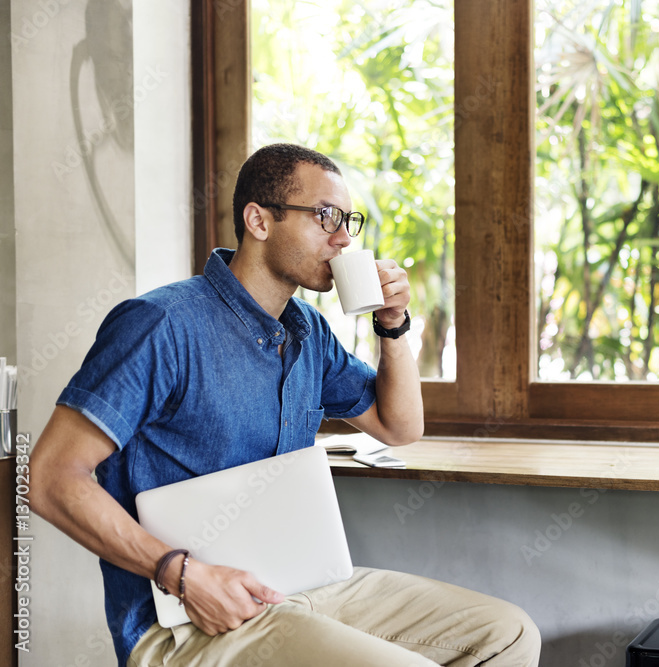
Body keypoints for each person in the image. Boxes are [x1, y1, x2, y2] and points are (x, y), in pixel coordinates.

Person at [29, 143, 541, 667]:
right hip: (186, 618)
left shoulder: (307, 333)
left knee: (508, 634)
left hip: (298, 587)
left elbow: (399, 425)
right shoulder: (160, 325)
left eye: (348, 221)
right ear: (258, 221)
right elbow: (50, 478)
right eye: (325, 217)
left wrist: (392, 325)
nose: (343, 239)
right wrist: (181, 573)